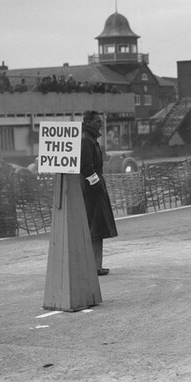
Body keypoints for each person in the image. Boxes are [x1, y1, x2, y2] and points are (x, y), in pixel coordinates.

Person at [80, 110, 118, 276]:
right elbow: (86, 167)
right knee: (95, 228)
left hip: (95, 189)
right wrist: (97, 185)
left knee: (98, 229)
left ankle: (97, 265)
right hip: (92, 192)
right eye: (97, 121)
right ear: (88, 122)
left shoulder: (90, 140)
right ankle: (94, 266)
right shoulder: (86, 141)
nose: (100, 124)